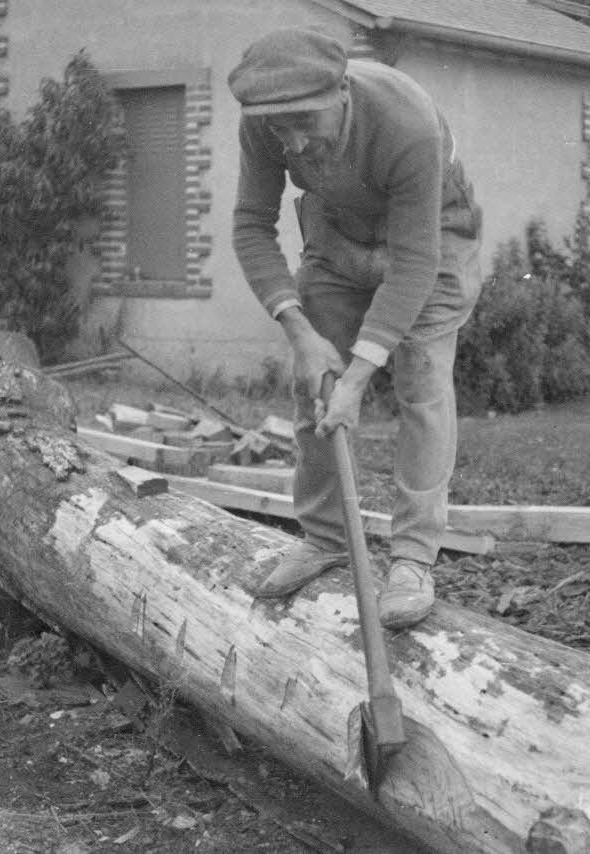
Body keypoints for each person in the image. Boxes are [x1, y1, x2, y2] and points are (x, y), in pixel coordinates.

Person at [228, 26, 481, 629]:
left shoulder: (405, 121)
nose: (293, 140)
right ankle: (323, 538)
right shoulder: (265, 124)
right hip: (336, 234)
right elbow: (251, 225)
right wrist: (301, 333)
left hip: (432, 240)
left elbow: (415, 261)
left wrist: (362, 375)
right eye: (277, 127)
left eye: (304, 121)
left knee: (421, 390)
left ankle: (414, 557)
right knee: (312, 386)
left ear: (341, 91)